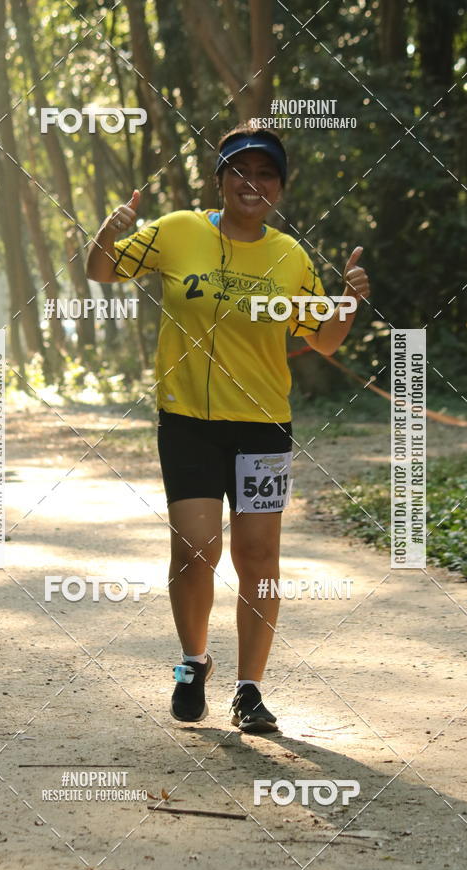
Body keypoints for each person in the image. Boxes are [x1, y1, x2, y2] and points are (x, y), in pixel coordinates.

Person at [86, 124, 370, 733]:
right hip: (187, 422)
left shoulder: (289, 257)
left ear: (280, 188)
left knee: (259, 556)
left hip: (264, 428)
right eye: (240, 171)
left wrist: (346, 302)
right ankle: (193, 662)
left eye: (266, 174)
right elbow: (102, 271)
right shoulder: (179, 230)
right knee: (194, 553)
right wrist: (107, 236)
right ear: (219, 181)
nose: (253, 183)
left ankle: (250, 690)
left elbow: (322, 340)